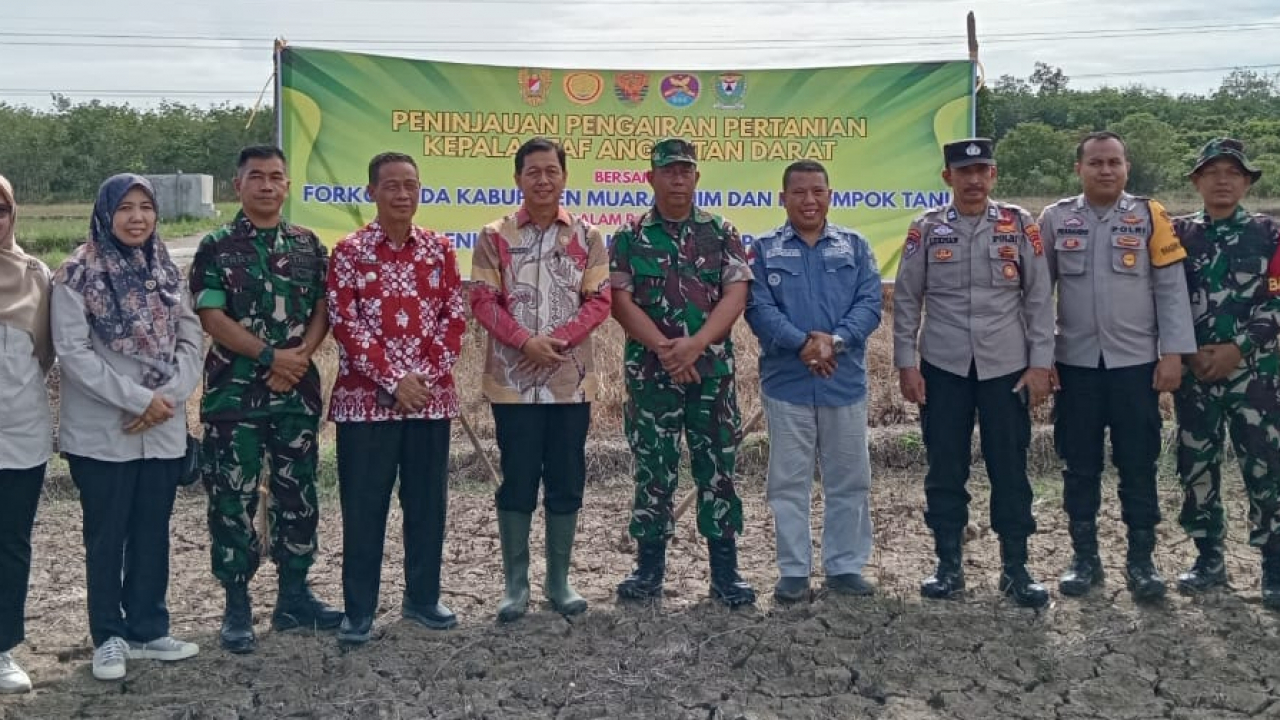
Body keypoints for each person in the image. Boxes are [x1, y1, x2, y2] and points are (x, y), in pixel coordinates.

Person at [892, 138, 1056, 608]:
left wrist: (1041, 362)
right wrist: (907, 363)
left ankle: (1016, 568)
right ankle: (948, 565)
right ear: (947, 178)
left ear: (994, 175)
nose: (974, 180)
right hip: (943, 369)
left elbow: (1040, 298)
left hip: (1007, 369)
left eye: (982, 170)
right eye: (964, 172)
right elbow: (906, 301)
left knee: (1010, 469)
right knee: (946, 467)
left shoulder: (1019, 224)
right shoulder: (926, 229)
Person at [189, 145, 340, 654]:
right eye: (257, 177)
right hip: (235, 396)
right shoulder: (216, 247)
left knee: (297, 494)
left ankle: (294, 598)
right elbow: (213, 318)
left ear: (288, 185)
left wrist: (298, 356)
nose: (268, 185)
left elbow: (324, 308)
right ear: (239, 186)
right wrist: (270, 356)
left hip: (295, 394)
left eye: (277, 176)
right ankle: (237, 605)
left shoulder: (308, 245)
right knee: (232, 498)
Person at [51, 174, 202, 680]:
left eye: (146, 207)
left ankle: (147, 627)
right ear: (105, 213)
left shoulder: (165, 270)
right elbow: (73, 354)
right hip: (103, 429)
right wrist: (141, 399)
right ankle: (109, 636)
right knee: (107, 534)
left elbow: (190, 335)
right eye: (126, 208)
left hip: (161, 428)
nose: (137, 218)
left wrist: (171, 396)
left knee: (151, 531)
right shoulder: (75, 274)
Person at [1038, 131, 1196, 602]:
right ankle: (1084, 559)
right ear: (1079, 169)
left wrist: (1173, 353)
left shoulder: (1151, 215)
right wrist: (1040, 357)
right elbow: (1036, 294)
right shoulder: (1055, 218)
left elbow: (1170, 289)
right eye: (1096, 163)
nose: (1105, 171)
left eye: (1114, 162)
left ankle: (1141, 562)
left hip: (1136, 365)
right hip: (1076, 365)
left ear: (1127, 168)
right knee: (1079, 465)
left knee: (1138, 464)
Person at [608, 137, 756, 607]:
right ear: (650, 178)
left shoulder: (721, 231)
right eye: (668, 171)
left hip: (710, 374)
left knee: (718, 468)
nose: (677, 178)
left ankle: (725, 574)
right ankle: (649, 571)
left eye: (685, 170)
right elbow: (620, 300)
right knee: (654, 468)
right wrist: (665, 349)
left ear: (696, 177)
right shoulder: (630, 236)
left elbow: (735, 295)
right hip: (652, 375)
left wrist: (695, 345)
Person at [327, 152, 466, 644]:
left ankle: (422, 599)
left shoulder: (440, 249)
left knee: (427, 504)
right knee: (364, 507)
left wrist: (420, 379)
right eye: (391, 186)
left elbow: (454, 318)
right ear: (372, 192)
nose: (402, 194)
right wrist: (393, 381)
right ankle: (358, 610)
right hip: (365, 404)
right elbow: (345, 323)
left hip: (430, 400)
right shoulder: (349, 251)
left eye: (410, 185)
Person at [470, 138, 611, 622]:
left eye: (552, 171)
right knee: (518, 479)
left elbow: (600, 300)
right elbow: (483, 300)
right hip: (513, 381)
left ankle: (558, 581)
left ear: (565, 177)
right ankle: (515, 584)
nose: (543, 180)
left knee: (567, 478)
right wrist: (525, 341)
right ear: (518, 178)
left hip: (570, 381)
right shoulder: (495, 235)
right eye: (533, 172)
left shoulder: (589, 236)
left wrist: (558, 341)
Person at [744, 160, 882, 603]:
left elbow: (869, 303)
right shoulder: (763, 250)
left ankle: (843, 567)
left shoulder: (856, 247)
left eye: (817, 191)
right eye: (798, 192)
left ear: (830, 194)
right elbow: (759, 309)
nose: (809, 200)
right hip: (788, 383)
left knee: (849, 479)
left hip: (843, 382)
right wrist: (804, 344)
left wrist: (834, 342)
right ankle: (793, 571)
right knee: (788, 482)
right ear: (782, 198)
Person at [1172, 138, 1280, 607]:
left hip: (1256, 375)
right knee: (1196, 463)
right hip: (1195, 375)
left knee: (1266, 466)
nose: (1222, 180)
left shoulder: (1271, 234)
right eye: (1212, 172)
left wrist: (1240, 348)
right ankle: (1207, 557)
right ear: (1196, 181)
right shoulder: (1177, 235)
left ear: (1247, 181)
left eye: (1232, 173)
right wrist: (1187, 351)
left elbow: (1277, 299)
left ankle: (1273, 564)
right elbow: (1164, 299)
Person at [0, 175, 54, 693]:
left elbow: (45, 352)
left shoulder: (36, 275)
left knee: (10, 541)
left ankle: (2, 648)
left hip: (18, 430)